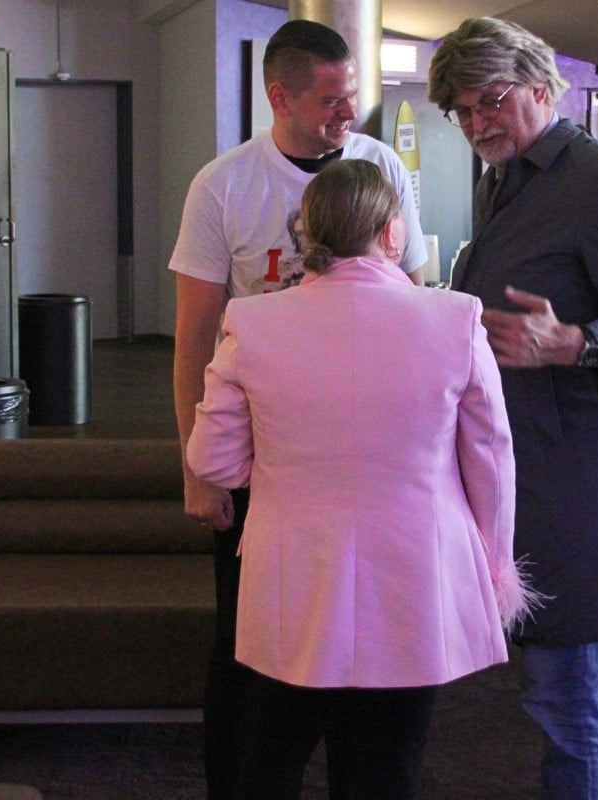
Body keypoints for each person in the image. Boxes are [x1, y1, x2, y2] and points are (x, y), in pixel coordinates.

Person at [186, 158, 535, 800]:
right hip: (413, 581)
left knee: (269, 761)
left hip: (290, 582)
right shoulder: (456, 320)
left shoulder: (252, 322)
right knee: (385, 771)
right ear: (393, 233)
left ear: (307, 234)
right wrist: (493, 563)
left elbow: (212, 459)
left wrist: (268, 466)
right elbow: (491, 458)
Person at [428, 17, 598, 800]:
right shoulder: (504, 179)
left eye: (490, 101)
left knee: (565, 686)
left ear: (541, 89)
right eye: (463, 111)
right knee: (579, 687)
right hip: (532, 464)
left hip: (582, 474)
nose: (477, 123)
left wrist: (571, 341)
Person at [168, 19, 427, 799]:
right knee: (247, 646)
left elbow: (413, 303)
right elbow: (194, 338)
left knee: (368, 642)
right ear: (280, 98)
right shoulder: (225, 185)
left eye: (353, 97)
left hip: (367, 454)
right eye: (330, 101)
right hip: (260, 452)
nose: (348, 114)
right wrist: (197, 468)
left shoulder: (380, 166)